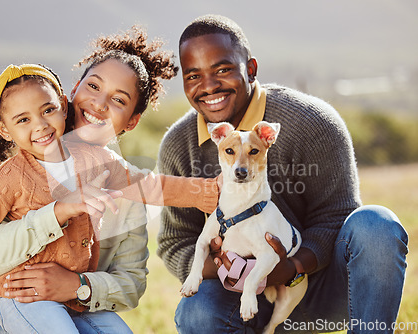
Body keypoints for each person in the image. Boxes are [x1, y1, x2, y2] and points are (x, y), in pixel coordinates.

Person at [0, 27, 219, 334]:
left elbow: (133, 276)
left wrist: (78, 285)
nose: (99, 104)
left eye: (119, 100)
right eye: (93, 86)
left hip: (68, 302)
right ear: (72, 91)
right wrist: (56, 212)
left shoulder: (106, 165)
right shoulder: (9, 161)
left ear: (133, 121)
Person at [157, 14, 408, 333]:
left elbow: (338, 215)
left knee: (376, 225)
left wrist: (291, 267)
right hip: (239, 298)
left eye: (222, 69)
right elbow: (174, 240)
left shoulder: (313, 122)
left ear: (250, 69)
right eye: (193, 76)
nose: (208, 87)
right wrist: (222, 268)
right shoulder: (178, 145)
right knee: (197, 312)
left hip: (319, 291)